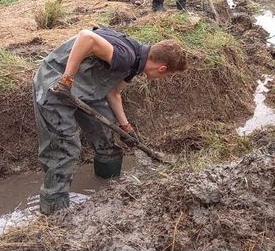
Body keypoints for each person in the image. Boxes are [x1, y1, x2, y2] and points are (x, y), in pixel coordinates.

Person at [32, 28, 187, 213]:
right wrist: (67, 80)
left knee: (107, 137)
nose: (164, 79)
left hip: (85, 88)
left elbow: (113, 93)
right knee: (65, 150)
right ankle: (54, 211)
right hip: (55, 86)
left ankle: (108, 187)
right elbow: (86, 37)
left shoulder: (135, 63)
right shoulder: (126, 56)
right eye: (167, 75)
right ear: (162, 69)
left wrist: (126, 127)